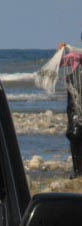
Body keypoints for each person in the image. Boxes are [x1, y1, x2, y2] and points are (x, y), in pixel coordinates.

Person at [58, 40, 82, 178]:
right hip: (74, 103)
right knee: (75, 133)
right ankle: (78, 171)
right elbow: (59, 63)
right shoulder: (75, 56)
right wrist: (62, 51)